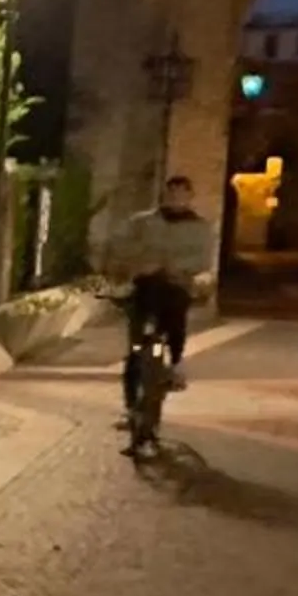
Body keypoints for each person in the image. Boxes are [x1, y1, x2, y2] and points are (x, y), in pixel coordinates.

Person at [104, 175, 218, 427]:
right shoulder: (142, 222)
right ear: (164, 195)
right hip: (145, 287)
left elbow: (203, 259)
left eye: (181, 193)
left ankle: (175, 364)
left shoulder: (200, 228)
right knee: (135, 350)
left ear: (189, 197)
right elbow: (119, 246)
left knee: (176, 322)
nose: (175, 198)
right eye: (171, 193)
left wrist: (172, 267)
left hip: (175, 287)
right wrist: (138, 263)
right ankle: (132, 407)